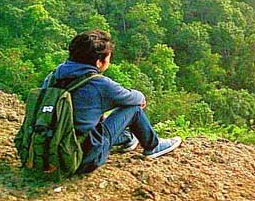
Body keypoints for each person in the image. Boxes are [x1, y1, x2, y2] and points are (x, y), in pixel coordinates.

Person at [45, 29, 181, 173]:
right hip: (81, 159)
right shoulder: (99, 84)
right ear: (98, 62)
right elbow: (135, 99)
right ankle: (153, 146)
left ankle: (127, 138)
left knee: (90, 121)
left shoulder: (53, 76)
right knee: (133, 109)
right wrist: (140, 96)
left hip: (48, 154)